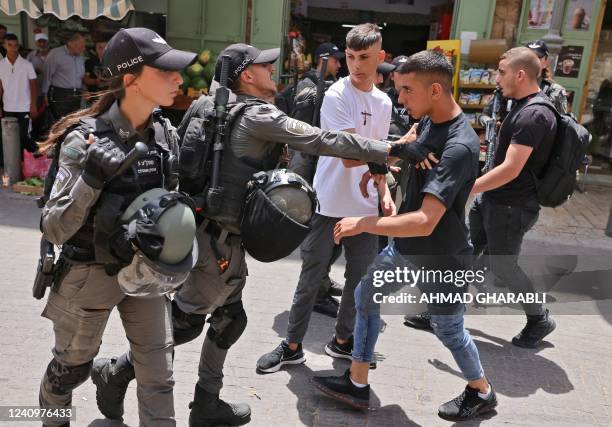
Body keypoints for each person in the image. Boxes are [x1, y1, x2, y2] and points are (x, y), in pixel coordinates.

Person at [91, 41, 412, 427]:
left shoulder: (204, 106)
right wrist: (389, 148)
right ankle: (118, 372)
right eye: (265, 66)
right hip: (219, 242)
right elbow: (322, 139)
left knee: (230, 317)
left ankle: (207, 401)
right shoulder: (257, 115)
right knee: (187, 323)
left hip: (199, 228)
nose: (272, 72)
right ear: (246, 75)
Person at [312, 50, 498, 422]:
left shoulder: (459, 147)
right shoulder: (428, 119)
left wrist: (363, 223)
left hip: (440, 258)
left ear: (434, 89)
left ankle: (482, 391)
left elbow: (425, 221)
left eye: (406, 91)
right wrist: (382, 166)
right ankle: (358, 382)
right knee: (367, 295)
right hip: (406, 250)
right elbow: (406, 146)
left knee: (449, 330)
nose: (400, 99)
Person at [37, 27, 196, 426]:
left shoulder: (165, 134)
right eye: (165, 71)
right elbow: (53, 228)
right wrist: (90, 182)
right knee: (68, 372)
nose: (179, 79)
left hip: (145, 275)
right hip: (89, 273)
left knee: (159, 375)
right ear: (131, 80)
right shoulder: (83, 141)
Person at [257, 23, 397, 374]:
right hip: (329, 201)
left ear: (379, 57)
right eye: (350, 56)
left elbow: (376, 162)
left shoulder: (383, 102)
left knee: (360, 279)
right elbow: (350, 155)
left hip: (364, 207)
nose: (356, 64)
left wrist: (383, 194)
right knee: (312, 274)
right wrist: (399, 151)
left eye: (364, 57)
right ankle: (291, 346)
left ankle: (342, 341)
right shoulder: (336, 95)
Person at [468, 47, 557, 348]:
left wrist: (469, 187)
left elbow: (511, 169)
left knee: (504, 267)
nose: (497, 78)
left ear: (520, 74)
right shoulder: (522, 105)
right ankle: (441, 311)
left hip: (511, 206)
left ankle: (539, 318)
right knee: (466, 250)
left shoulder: (534, 114)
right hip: (493, 200)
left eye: (502, 72)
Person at [285, 41, 346, 318]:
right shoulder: (310, 87)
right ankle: (317, 289)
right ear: (324, 59)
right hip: (309, 162)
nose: (339, 64)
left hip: (319, 160)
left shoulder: (327, 84)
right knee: (319, 231)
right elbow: (301, 129)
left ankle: (322, 281)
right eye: (335, 60)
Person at [0, 33, 38, 155]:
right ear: (4, 45)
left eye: (15, 45)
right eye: (10, 45)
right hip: (8, 107)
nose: (13, 48)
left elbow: (34, 87)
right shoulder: (0, 65)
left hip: (24, 107)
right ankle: (16, 164)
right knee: (10, 138)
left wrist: (33, 106)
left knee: (24, 136)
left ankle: (32, 160)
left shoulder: (27, 65)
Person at [42, 32, 86, 121]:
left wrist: (84, 89)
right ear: (71, 44)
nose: (84, 48)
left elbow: (80, 77)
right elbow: (47, 74)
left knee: (74, 122)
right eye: (81, 46)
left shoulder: (80, 57)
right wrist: (44, 94)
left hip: (76, 94)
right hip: (60, 94)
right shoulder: (55, 54)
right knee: (60, 123)